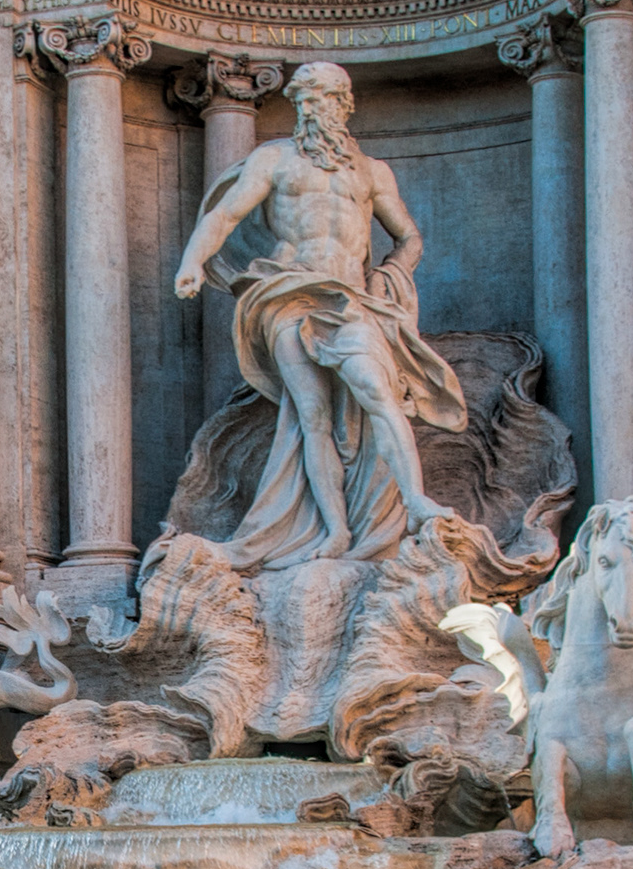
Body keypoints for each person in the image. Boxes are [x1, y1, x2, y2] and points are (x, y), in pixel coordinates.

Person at [172, 61, 467, 567]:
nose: (311, 109)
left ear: (344, 104)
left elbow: (409, 235)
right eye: (304, 100)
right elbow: (225, 214)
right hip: (287, 293)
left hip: (351, 299)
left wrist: (392, 270)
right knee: (311, 414)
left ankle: (415, 501)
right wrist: (192, 263)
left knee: (377, 391)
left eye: (323, 98)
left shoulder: (372, 172)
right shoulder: (275, 159)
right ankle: (333, 531)